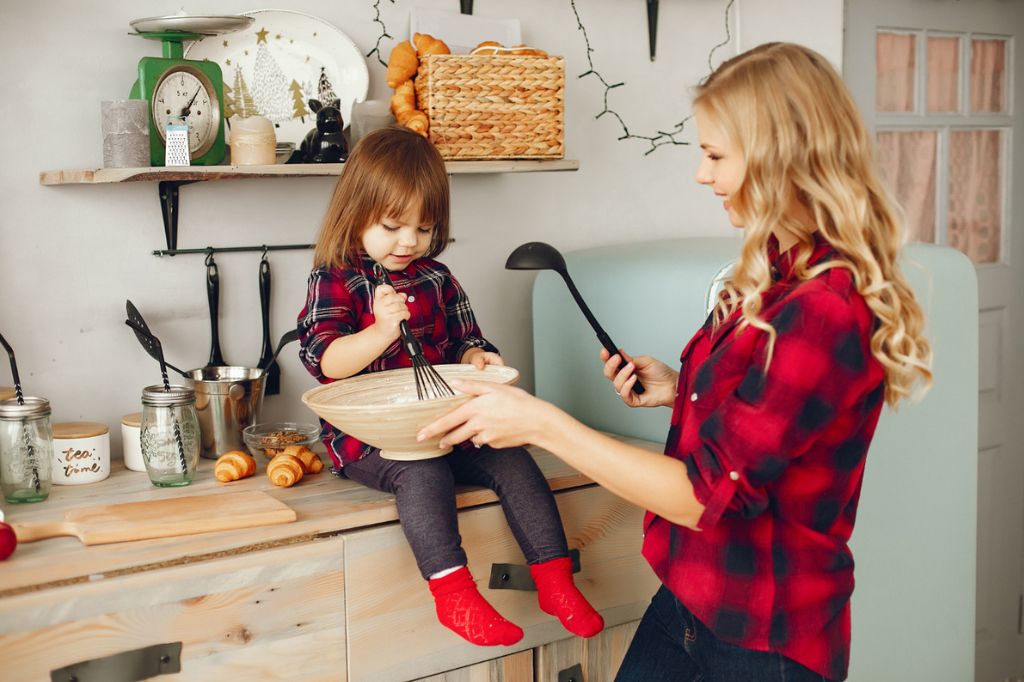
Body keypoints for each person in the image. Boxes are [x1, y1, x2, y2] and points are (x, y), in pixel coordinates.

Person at [419, 43, 933, 681]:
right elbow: (760, 423)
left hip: (764, 636)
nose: (701, 173)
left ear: (782, 156)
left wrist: (543, 424)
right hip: (690, 598)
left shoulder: (826, 306)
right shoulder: (772, 267)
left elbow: (707, 496)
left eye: (715, 155)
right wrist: (680, 387)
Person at [296, 125, 604, 648]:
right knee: (423, 474)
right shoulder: (335, 278)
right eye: (393, 225)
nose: (408, 241)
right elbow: (327, 362)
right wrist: (379, 332)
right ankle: (452, 592)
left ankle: (554, 580)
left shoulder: (436, 279)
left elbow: (465, 341)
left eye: (423, 227)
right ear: (356, 211)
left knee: (513, 457)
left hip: (445, 423)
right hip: (373, 443)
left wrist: (478, 357)